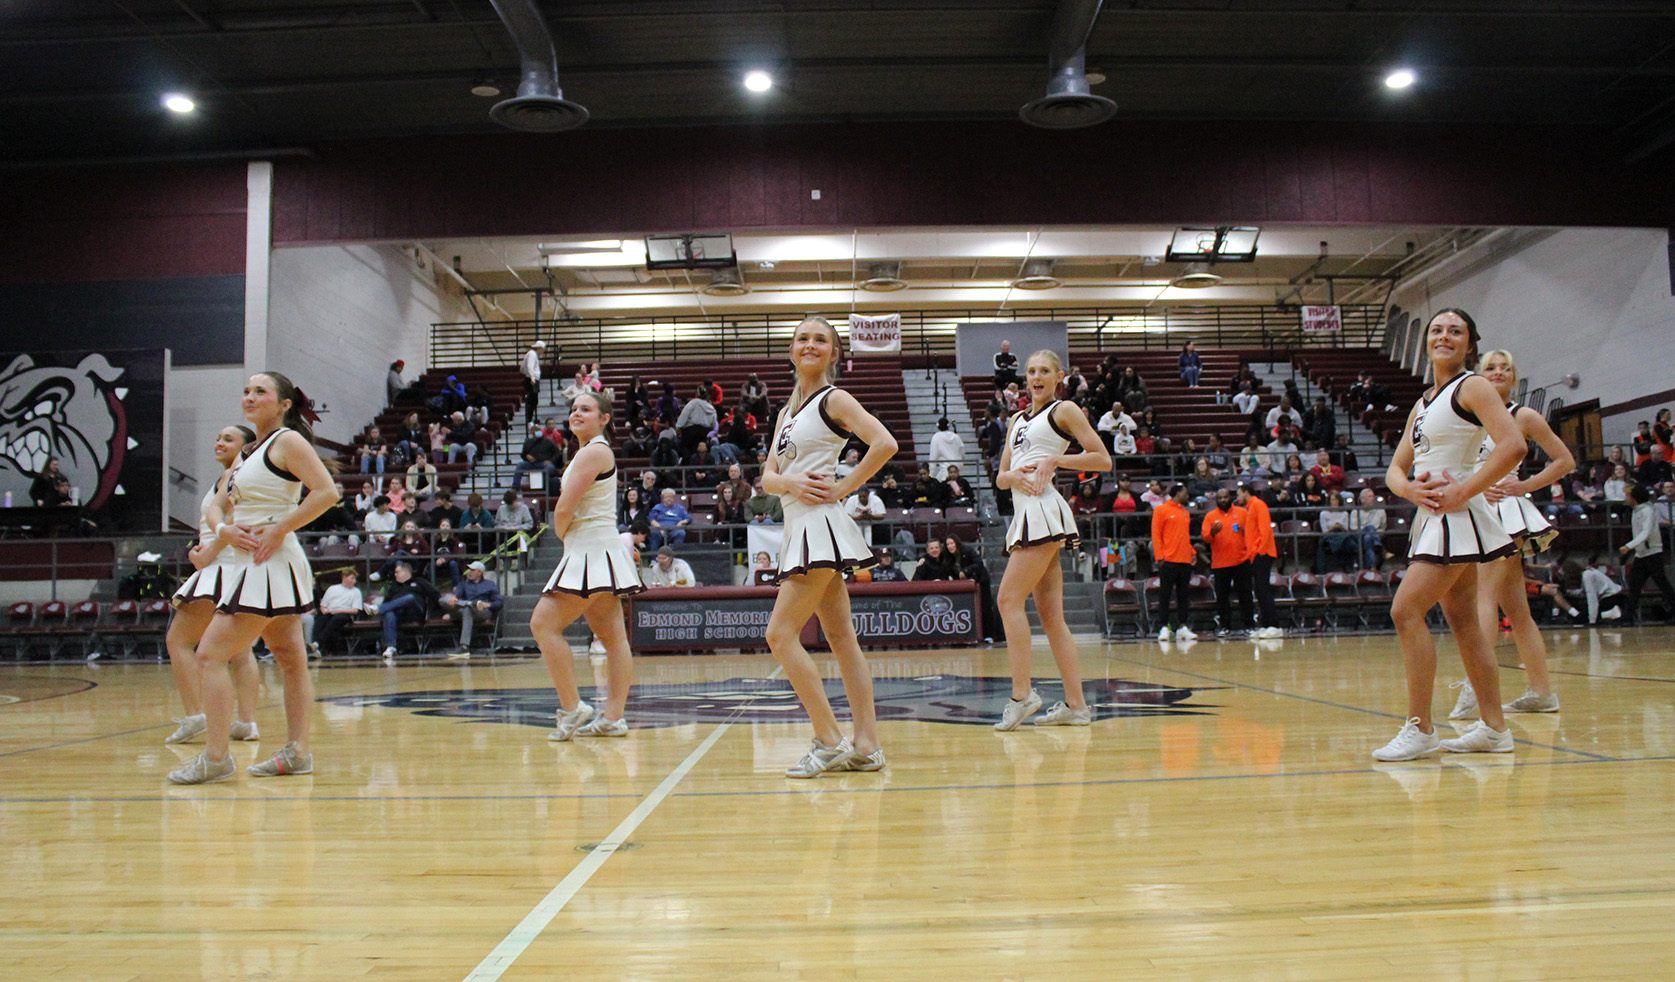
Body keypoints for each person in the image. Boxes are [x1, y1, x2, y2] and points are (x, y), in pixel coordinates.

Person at [168, 371, 338, 784]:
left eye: (260, 391)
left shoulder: (288, 442)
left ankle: (217, 757)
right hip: (251, 561)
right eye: (246, 390)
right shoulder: (248, 452)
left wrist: (281, 526)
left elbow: (327, 492)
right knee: (290, 658)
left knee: (210, 655)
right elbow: (218, 506)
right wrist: (218, 537)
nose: (249, 397)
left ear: (283, 404)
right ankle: (297, 752)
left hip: (270, 559)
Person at [1373, 309, 1525, 762]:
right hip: (1434, 517)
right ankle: (1495, 728)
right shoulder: (1423, 403)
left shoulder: (1473, 386)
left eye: (1454, 331)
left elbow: (1513, 444)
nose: (1444, 336)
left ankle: (1421, 728)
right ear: (1427, 342)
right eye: (1437, 330)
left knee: (1406, 611)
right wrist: (1410, 490)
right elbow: (1395, 470)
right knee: (1464, 624)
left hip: (1458, 517)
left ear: (1469, 344)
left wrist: (1463, 490)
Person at [761, 315, 897, 776]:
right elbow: (766, 478)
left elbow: (884, 443)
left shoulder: (834, 398)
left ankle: (827, 738)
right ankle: (867, 745)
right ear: (792, 349)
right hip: (802, 527)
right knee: (841, 638)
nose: (810, 344)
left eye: (821, 339)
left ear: (834, 353)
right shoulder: (786, 413)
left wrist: (843, 488)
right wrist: (790, 481)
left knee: (779, 634)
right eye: (802, 338)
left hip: (819, 526)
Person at [991, 349, 1112, 730]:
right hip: (1026, 511)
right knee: (1052, 618)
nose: (1036, 376)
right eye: (1031, 371)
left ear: (1059, 376)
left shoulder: (1065, 410)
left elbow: (1101, 459)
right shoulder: (1015, 419)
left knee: (1008, 600)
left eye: (1044, 371)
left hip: (1043, 511)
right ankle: (1076, 706)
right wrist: (1011, 477)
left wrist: (1056, 461)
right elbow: (1001, 476)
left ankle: (1022, 694)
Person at [1453, 348, 1575, 719]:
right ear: (1479, 374)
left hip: (1506, 513)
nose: (1498, 373)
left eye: (1505, 369)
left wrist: (1523, 486)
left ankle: (1476, 689)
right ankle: (1541, 692)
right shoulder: (1468, 416)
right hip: (1475, 508)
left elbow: (1565, 460)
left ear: (1514, 377)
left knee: (1483, 598)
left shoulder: (1523, 415)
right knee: (1517, 610)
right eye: (1490, 367)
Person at [527, 390, 643, 739]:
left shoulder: (594, 451)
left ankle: (572, 707)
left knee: (543, 625)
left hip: (590, 551)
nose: (576, 413)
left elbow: (564, 508)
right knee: (613, 639)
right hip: (601, 551)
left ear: (604, 419)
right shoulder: (588, 451)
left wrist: (563, 535)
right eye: (574, 408)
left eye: (586, 409)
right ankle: (613, 718)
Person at [163, 424, 262, 745]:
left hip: (219, 569)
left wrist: (206, 555)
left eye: (228, 439)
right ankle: (246, 722)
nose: (219, 442)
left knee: (178, 641)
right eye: (218, 437)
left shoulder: (235, 475)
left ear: (246, 447)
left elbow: (234, 524)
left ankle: (196, 715)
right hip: (233, 568)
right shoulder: (240, 476)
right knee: (240, 651)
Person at [1620, 482, 1675, 625]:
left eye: (1627, 495)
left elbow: (1646, 532)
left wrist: (1629, 546)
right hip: (1642, 554)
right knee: (1634, 585)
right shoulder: (1636, 511)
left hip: (1653, 553)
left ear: (1634, 497)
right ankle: (1627, 617)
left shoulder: (1648, 511)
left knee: (1662, 584)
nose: (1625, 498)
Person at [1201, 487, 1253, 638]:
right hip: (1221, 563)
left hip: (1241, 560)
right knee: (1222, 597)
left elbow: (1250, 532)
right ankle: (1224, 626)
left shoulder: (1242, 512)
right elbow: (1205, 537)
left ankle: (1249, 625)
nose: (1223, 500)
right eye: (1220, 498)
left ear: (1230, 498)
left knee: (1245, 595)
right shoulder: (1210, 516)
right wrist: (1212, 533)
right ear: (1216, 500)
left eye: (1225, 497)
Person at [1151, 484, 1197, 643]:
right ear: (1177, 493)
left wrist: (1192, 552)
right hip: (1168, 559)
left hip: (1184, 559)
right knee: (1165, 594)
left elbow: (1184, 536)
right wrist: (1159, 557)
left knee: (1183, 595)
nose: (1187, 496)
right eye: (1185, 493)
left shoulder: (1185, 513)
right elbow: (1156, 535)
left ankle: (1182, 626)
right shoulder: (1161, 510)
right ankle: (1164, 626)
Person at [1236, 482, 1283, 638]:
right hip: (1256, 554)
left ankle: (1273, 625)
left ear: (1245, 492)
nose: (1237, 498)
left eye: (1238, 494)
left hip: (1261, 553)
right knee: (1259, 589)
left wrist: (1260, 551)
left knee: (1263, 589)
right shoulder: (1251, 508)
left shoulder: (1258, 504)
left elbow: (1265, 530)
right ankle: (1266, 624)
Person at [439, 560, 502, 656]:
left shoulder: (490, 585)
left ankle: (464, 646)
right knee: (444, 599)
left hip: (482, 611)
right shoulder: (463, 584)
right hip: (464, 609)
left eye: (473, 570)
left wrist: (488, 605)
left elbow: (499, 603)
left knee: (467, 610)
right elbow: (456, 595)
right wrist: (453, 597)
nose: (470, 572)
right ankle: (469, 604)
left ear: (480, 573)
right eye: (470, 570)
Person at [309, 568, 363, 658]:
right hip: (329, 612)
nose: (354, 581)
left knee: (336, 620)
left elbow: (355, 610)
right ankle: (317, 646)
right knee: (321, 619)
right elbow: (323, 605)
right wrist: (324, 611)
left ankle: (318, 644)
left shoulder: (356, 592)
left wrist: (338, 611)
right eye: (352, 578)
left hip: (344, 613)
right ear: (344, 578)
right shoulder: (332, 589)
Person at [1316, 491, 1359, 572]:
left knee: (1347, 538)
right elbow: (1324, 531)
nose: (1334, 502)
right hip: (1330, 535)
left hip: (1342, 534)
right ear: (1329, 501)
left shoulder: (1345, 513)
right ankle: (1349, 562)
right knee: (1347, 542)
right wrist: (1332, 528)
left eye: (1336, 500)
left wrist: (1341, 527)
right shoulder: (1323, 514)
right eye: (1332, 500)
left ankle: (1348, 562)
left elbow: (1346, 530)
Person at [511, 424, 561, 490]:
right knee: (520, 465)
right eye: (536, 430)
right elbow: (523, 454)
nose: (538, 431)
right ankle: (515, 486)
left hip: (544, 463)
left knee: (550, 468)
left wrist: (551, 461)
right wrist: (527, 457)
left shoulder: (548, 441)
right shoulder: (528, 442)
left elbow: (558, 453)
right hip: (532, 463)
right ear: (532, 432)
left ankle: (545, 486)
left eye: (539, 430)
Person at [1351, 487, 1390, 570]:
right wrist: (1367, 529)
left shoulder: (1380, 511)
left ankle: (1372, 567)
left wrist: (1374, 532)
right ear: (1362, 500)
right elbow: (1353, 527)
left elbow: (1383, 526)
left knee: (1368, 538)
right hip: (1359, 535)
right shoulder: (1355, 512)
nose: (1372, 499)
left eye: (1373, 496)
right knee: (1370, 529)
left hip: (1376, 535)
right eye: (1369, 497)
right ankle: (1380, 548)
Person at [521, 339, 545, 425]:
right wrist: (532, 378)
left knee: (534, 400)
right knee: (531, 400)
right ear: (539, 348)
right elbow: (529, 367)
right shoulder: (532, 354)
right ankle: (529, 420)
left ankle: (530, 419)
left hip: (533, 378)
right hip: (532, 379)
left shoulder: (533, 354)